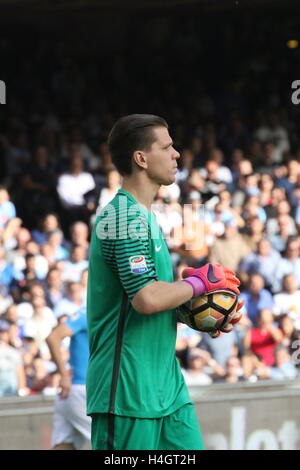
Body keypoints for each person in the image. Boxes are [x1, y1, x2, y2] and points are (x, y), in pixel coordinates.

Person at [86, 114, 241, 451]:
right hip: (127, 390)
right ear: (140, 159)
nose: (177, 154)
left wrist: (202, 311)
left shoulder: (144, 216)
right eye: (167, 147)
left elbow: (154, 300)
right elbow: (146, 299)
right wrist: (201, 285)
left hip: (167, 388)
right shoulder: (123, 217)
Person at [46, 306, 91, 450]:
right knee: (110, 443)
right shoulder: (87, 312)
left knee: (64, 445)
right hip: (81, 390)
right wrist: (64, 375)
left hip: (71, 391)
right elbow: (53, 337)